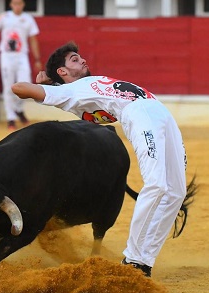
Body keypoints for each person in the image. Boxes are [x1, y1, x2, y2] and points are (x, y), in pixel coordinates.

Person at [11, 42, 188, 278]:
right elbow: (18, 88)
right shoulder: (67, 92)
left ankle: (144, 261)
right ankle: (133, 260)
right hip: (140, 113)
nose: (82, 60)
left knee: (176, 191)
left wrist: (52, 83)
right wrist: (43, 85)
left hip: (160, 113)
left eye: (80, 57)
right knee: (156, 184)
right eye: (74, 59)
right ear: (62, 72)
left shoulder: (76, 87)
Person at [0, 0, 42, 131]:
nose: (17, 6)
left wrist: (37, 59)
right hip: (6, 56)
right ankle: (11, 118)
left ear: (23, 4)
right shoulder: (4, 17)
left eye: (20, 3)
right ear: (11, 5)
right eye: (15, 3)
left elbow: (33, 39)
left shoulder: (28, 19)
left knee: (26, 84)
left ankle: (18, 109)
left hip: (22, 55)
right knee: (8, 86)